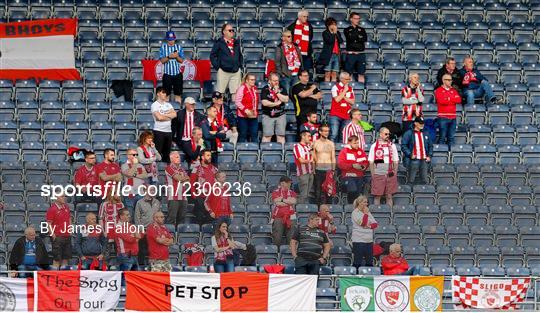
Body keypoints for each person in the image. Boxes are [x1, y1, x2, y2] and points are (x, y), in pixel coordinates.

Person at [210, 23, 243, 100]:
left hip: (235, 71)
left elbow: (240, 55)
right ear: (224, 32)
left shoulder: (236, 42)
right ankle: (219, 111)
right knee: (220, 93)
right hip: (223, 71)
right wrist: (218, 67)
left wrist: (239, 65)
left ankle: (234, 110)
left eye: (233, 30)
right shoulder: (219, 42)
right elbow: (212, 55)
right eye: (230, 30)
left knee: (236, 92)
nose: (232, 32)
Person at [368, 127, 399, 207]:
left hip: (390, 173)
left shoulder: (392, 146)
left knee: (389, 196)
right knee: (377, 196)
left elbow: (396, 161)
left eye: (389, 134)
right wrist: (373, 174)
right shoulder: (374, 146)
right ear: (380, 134)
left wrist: (395, 173)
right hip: (378, 173)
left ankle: (390, 215)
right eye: (386, 134)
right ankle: (377, 214)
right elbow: (371, 162)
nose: (388, 135)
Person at [338, 135, 369, 203]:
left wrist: (363, 167)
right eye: (355, 143)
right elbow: (340, 164)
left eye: (358, 142)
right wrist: (352, 165)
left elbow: (366, 162)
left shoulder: (361, 151)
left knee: (358, 192)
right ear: (349, 143)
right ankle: (351, 206)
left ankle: (356, 208)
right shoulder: (344, 151)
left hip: (359, 176)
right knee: (353, 190)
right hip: (348, 176)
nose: (357, 145)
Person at [190, 150, 218, 225]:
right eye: (208, 155)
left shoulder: (215, 169)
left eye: (210, 156)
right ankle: (199, 234)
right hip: (200, 197)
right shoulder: (196, 169)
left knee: (212, 217)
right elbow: (192, 183)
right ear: (202, 157)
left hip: (212, 198)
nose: (210, 157)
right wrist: (194, 196)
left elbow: (219, 183)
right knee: (200, 218)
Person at [401, 117, 433, 184]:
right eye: (420, 123)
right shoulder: (409, 133)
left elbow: (430, 146)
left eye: (423, 123)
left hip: (424, 159)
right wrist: (410, 154)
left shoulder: (426, 133)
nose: (422, 125)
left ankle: (423, 191)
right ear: (415, 123)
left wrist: (429, 156)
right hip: (414, 159)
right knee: (411, 179)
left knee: (424, 179)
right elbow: (403, 145)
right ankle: (410, 191)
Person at [435, 73, 462, 147]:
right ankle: (441, 154)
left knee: (451, 138)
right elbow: (441, 101)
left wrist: (449, 98)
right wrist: (452, 99)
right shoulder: (438, 90)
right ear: (443, 80)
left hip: (453, 117)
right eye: (448, 80)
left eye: (451, 80)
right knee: (442, 137)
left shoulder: (454, 90)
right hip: (443, 117)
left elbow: (459, 100)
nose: (450, 81)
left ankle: (451, 154)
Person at [291, 70, 322, 135]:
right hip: (302, 114)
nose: (307, 77)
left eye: (307, 75)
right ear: (300, 77)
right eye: (305, 76)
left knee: (313, 133)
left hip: (313, 113)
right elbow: (303, 95)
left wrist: (309, 95)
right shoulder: (296, 87)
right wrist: (312, 89)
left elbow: (319, 95)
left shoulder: (311, 85)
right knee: (303, 133)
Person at [46, 193, 72, 269]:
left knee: (66, 258)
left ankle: (64, 277)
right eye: (62, 196)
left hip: (67, 236)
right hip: (58, 236)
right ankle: (55, 278)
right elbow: (49, 223)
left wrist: (70, 229)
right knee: (57, 258)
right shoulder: (52, 209)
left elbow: (69, 218)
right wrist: (53, 235)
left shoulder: (66, 207)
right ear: (56, 197)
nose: (64, 198)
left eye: (65, 196)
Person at [261, 72, 289, 143]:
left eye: (277, 80)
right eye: (274, 80)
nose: (276, 82)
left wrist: (277, 93)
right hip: (268, 115)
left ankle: (281, 153)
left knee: (281, 136)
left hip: (280, 115)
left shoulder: (282, 88)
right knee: (267, 136)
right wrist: (277, 103)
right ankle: (265, 152)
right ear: (269, 81)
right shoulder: (265, 89)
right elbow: (265, 103)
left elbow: (286, 99)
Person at [151, 86, 177, 163]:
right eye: (163, 92)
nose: (165, 94)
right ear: (158, 94)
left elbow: (175, 115)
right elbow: (159, 118)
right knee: (157, 153)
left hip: (168, 132)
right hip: (159, 131)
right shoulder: (154, 105)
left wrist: (164, 115)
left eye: (165, 93)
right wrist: (169, 116)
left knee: (167, 154)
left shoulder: (168, 104)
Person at [351, 195, 378, 267]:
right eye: (365, 202)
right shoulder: (355, 212)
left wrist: (368, 226)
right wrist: (365, 215)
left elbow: (375, 224)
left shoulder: (368, 212)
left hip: (369, 240)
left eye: (367, 202)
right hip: (359, 240)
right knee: (357, 261)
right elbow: (363, 224)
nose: (366, 204)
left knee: (369, 261)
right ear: (359, 203)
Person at [271, 176, 298, 246]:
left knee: (291, 237)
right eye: (288, 183)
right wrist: (288, 201)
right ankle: (277, 252)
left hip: (291, 217)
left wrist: (282, 199)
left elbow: (293, 201)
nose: (290, 184)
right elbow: (277, 203)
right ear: (282, 183)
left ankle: (291, 253)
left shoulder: (292, 192)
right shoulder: (275, 192)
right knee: (277, 237)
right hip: (278, 217)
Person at [159, 31, 185, 104]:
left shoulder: (178, 47)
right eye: (170, 40)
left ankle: (178, 110)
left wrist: (176, 57)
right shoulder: (163, 47)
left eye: (173, 39)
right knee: (166, 95)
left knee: (178, 94)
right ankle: (166, 110)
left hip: (177, 73)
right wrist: (169, 57)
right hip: (167, 74)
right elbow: (162, 61)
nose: (171, 41)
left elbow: (181, 60)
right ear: (167, 39)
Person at [312, 125, 336, 204]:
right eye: (325, 131)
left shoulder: (331, 143)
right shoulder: (315, 143)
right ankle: (318, 210)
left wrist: (333, 169)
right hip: (319, 169)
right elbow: (313, 158)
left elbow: (333, 157)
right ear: (320, 132)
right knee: (318, 191)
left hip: (329, 169)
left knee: (329, 191)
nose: (327, 133)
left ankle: (328, 209)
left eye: (328, 131)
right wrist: (313, 169)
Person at [329, 72, 355, 143]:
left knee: (343, 136)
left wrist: (343, 96)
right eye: (347, 79)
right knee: (334, 134)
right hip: (335, 114)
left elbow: (352, 102)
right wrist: (345, 91)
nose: (349, 80)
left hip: (346, 115)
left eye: (349, 79)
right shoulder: (335, 87)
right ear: (341, 79)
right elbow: (337, 99)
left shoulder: (350, 88)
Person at [165, 151, 190, 225]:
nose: (179, 158)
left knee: (182, 219)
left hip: (183, 196)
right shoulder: (168, 168)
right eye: (177, 157)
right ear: (171, 159)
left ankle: (179, 236)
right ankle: (170, 235)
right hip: (173, 196)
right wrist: (184, 178)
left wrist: (183, 178)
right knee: (171, 218)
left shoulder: (182, 169)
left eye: (179, 157)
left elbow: (188, 181)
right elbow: (178, 178)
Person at [287, 10, 314, 76]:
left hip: (306, 54)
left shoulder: (309, 27)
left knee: (305, 72)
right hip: (295, 54)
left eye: (307, 17)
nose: (306, 18)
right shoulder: (291, 27)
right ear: (299, 17)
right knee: (295, 72)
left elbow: (310, 37)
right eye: (304, 16)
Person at [121, 148, 148, 215]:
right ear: (128, 156)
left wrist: (134, 174)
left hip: (140, 192)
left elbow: (145, 175)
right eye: (133, 154)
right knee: (129, 213)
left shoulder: (140, 165)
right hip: (129, 192)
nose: (135, 156)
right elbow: (129, 174)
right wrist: (135, 165)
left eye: (136, 154)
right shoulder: (124, 165)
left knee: (140, 213)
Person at [343, 12, 368, 83]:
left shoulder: (362, 29)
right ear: (351, 19)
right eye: (356, 18)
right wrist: (358, 37)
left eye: (358, 18)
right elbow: (350, 38)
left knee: (361, 74)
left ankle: (361, 90)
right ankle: (349, 92)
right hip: (351, 54)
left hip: (361, 54)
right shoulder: (347, 29)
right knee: (348, 75)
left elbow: (364, 39)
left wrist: (357, 37)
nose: (358, 20)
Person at [235, 73, 259, 143]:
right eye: (251, 80)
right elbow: (237, 102)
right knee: (243, 134)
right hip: (243, 116)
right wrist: (245, 110)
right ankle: (240, 151)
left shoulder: (255, 88)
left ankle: (254, 151)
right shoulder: (242, 88)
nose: (253, 81)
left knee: (254, 134)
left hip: (253, 115)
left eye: (254, 80)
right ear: (247, 80)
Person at [318, 17, 343, 82]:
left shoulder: (337, 33)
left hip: (336, 55)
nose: (334, 26)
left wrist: (336, 34)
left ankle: (333, 89)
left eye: (335, 24)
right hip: (329, 55)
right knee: (327, 74)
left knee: (334, 74)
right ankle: (327, 88)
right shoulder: (325, 33)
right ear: (328, 25)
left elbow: (341, 41)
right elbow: (329, 41)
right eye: (333, 24)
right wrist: (333, 33)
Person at [294, 131, 315, 204]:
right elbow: (301, 160)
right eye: (308, 136)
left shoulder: (308, 146)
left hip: (310, 172)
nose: (310, 138)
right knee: (303, 194)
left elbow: (314, 157)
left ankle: (303, 209)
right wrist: (310, 160)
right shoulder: (297, 146)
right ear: (303, 136)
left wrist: (312, 148)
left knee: (307, 194)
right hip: (303, 173)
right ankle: (300, 210)